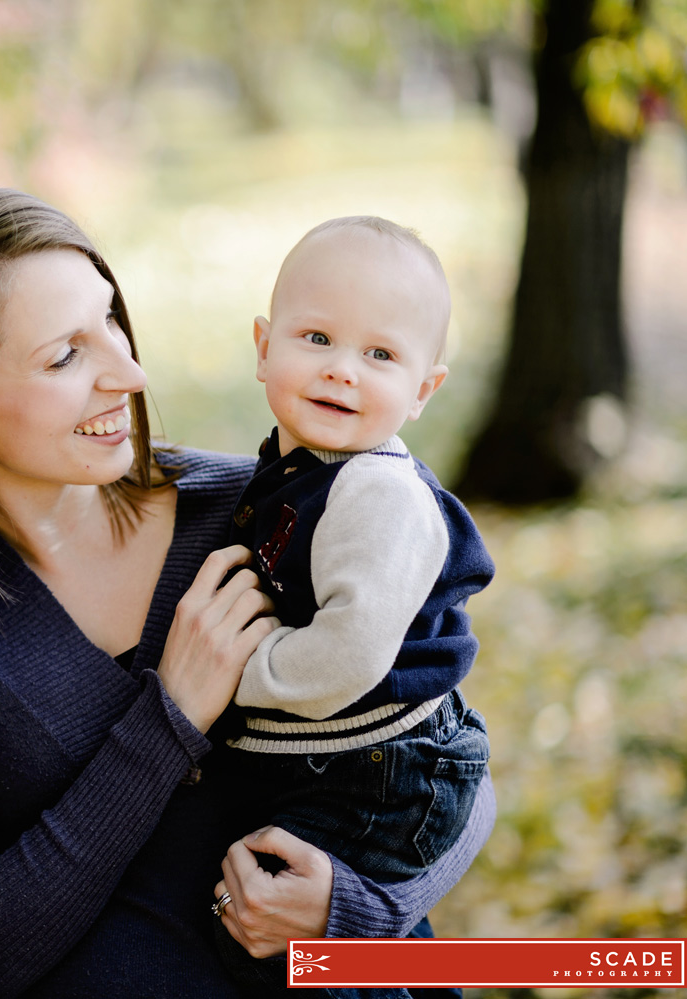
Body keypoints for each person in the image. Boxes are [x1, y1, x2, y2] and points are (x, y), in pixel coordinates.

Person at [0, 182, 495, 998]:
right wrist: (169, 717)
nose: (130, 371)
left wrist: (351, 911)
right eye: (66, 354)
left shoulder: (270, 513)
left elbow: (451, 768)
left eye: (110, 319)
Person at [208, 216, 495, 988]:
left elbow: (348, 653)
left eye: (380, 354)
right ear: (263, 345)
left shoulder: (377, 491)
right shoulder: (295, 467)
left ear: (423, 390)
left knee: (319, 952)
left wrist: (232, 674)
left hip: (385, 767)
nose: (343, 371)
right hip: (345, 754)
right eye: (316, 338)